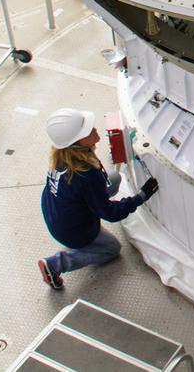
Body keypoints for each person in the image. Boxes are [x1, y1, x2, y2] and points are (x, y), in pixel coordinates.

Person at [38, 107, 159, 290]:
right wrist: (141, 197)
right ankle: (55, 264)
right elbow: (110, 214)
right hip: (74, 231)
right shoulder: (86, 175)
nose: (95, 129)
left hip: (55, 212)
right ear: (77, 143)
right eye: (88, 131)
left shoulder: (61, 156)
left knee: (114, 179)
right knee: (112, 249)